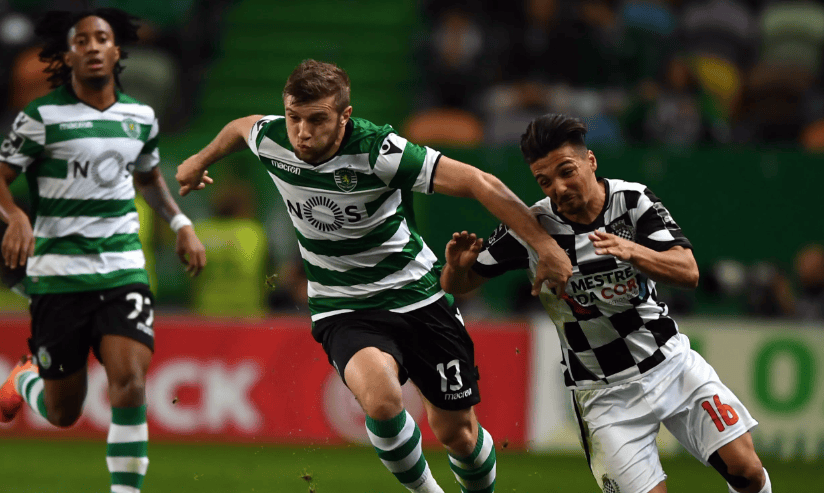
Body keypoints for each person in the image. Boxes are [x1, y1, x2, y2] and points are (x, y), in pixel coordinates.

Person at [176, 59, 572, 493]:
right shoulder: (273, 138)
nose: (302, 132)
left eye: (317, 119)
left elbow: (479, 182)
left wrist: (545, 245)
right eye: (294, 117)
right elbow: (240, 128)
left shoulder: (379, 152)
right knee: (382, 402)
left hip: (418, 297)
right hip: (343, 306)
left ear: (344, 116)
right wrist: (200, 159)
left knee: (458, 434)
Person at [440, 114, 771, 493]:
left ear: (591, 160)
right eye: (544, 181)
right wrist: (455, 268)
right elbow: (459, 284)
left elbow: (688, 270)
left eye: (566, 172)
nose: (558, 188)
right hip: (604, 394)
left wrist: (633, 251)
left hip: (671, 365)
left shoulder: (632, 201)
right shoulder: (532, 227)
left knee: (747, 471)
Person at [0, 9, 206, 493]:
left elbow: (148, 178)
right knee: (63, 413)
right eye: (82, 41)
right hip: (58, 275)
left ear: (117, 52)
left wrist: (181, 223)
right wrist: (16, 217)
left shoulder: (140, 117)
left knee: (130, 382)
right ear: (68, 55)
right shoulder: (40, 118)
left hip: (121, 269)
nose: (93, 46)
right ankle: (26, 378)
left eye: (102, 39)